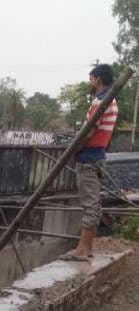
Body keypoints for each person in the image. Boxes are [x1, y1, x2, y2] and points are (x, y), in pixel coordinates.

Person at [63, 64, 119, 261]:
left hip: (88, 158)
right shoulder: (111, 101)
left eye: (91, 79)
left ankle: (82, 250)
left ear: (98, 79)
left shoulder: (100, 102)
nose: (89, 83)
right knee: (94, 204)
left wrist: (74, 150)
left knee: (90, 205)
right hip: (98, 156)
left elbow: (88, 133)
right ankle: (86, 247)